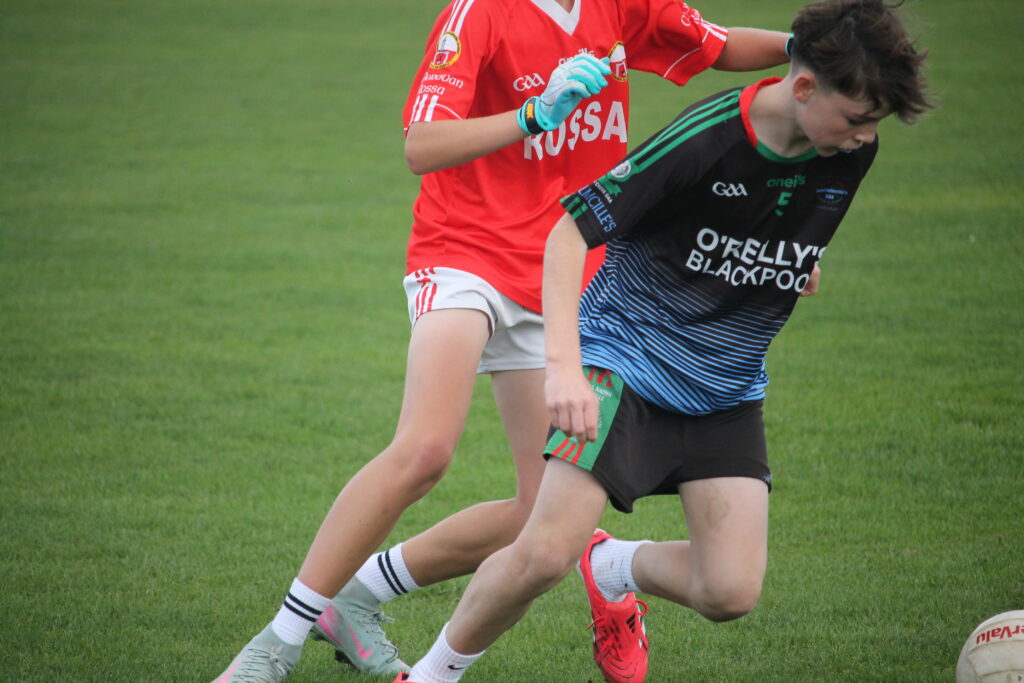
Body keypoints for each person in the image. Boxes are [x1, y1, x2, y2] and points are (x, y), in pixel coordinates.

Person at [214, 2, 793, 681]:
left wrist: (814, 49)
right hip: (466, 252)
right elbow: (421, 144)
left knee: (535, 516)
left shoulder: (621, 5)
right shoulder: (480, 13)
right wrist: (533, 115)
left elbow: (718, 46)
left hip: (562, 270)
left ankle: (356, 598)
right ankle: (276, 644)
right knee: (425, 450)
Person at [390, 1, 932, 681]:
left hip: (725, 385)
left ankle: (611, 565)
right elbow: (570, 231)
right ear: (802, 88)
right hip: (624, 359)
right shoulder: (705, 140)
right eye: (856, 119)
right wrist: (564, 369)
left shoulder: (851, 151)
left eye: (874, 124)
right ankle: (429, 674)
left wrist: (788, 261)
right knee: (544, 553)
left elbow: (765, 215)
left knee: (729, 591)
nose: (864, 138)